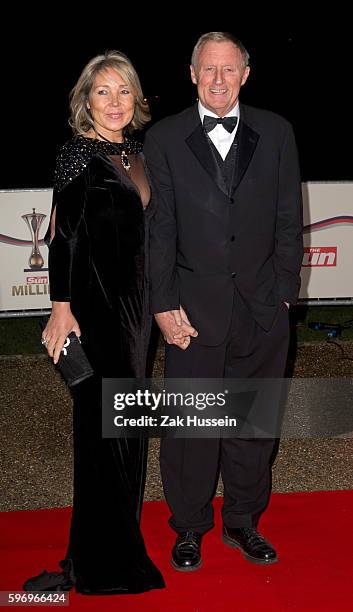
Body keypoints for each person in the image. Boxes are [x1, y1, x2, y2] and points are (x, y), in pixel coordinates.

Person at [144, 32, 303, 571]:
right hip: (192, 310)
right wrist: (163, 305)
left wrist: (284, 293)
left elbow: (288, 218)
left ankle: (242, 520)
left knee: (252, 425)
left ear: (245, 75)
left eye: (228, 70)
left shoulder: (277, 132)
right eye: (208, 69)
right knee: (191, 429)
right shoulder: (163, 139)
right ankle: (189, 526)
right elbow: (160, 229)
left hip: (262, 308)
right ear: (192, 74)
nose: (218, 79)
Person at [23, 50, 165, 595]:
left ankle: (115, 549)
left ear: (137, 100)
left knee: (126, 437)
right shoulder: (77, 157)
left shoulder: (138, 155)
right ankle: (96, 565)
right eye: (101, 92)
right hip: (97, 313)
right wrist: (61, 306)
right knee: (102, 437)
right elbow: (62, 236)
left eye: (122, 91)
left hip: (135, 318)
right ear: (85, 101)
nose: (113, 102)